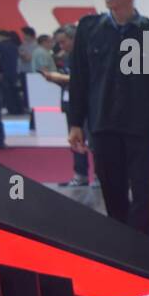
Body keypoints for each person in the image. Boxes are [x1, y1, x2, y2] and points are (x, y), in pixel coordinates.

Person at [66, 0, 149, 236]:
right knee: (112, 194)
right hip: (102, 125)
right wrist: (75, 122)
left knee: (143, 196)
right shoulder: (89, 28)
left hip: (140, 126)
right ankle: (121, 254)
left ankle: (142, 254)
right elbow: (79, 78)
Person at [37, 24, 90, 186]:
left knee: (95, 143)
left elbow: (87, 80)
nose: (61, 46)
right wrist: (55, 79)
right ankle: (80, 174)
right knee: (75, 141)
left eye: (64, 42)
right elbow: (70, 81)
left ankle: (101, 177)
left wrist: (59, 78)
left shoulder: (87, 56)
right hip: (70, 103)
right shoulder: (65, 58)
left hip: (88, 104)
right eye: (59, 43)